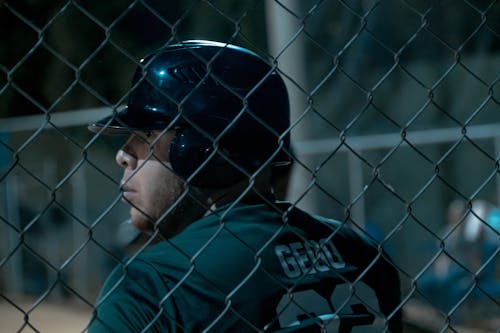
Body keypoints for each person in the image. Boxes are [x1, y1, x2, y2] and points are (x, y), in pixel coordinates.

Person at [87, 40, 402, 333]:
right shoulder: (361, 254)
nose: (122, 155)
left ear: (204, 149)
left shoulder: (151, 286)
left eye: (145, 137)